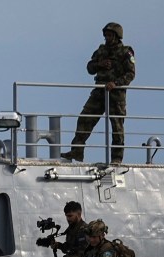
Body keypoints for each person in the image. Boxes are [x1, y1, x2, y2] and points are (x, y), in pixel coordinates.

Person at [60, 22, 136, 164]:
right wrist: (99, 65)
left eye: (110, 35)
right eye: (106, 35)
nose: (107, 38)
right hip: (99, 91)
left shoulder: (126, 52)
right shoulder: (101, 50)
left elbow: (131, 74)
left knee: (117, 126)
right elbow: (89, 67)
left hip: (116, 94)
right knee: (85, 119)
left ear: (117, 36)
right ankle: (77, 151)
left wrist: (116, 83)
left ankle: (117, 158)